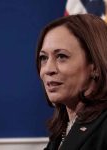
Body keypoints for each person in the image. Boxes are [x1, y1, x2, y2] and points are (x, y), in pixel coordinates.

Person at [36, 14, 107, 150]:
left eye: (61, 56)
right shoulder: (62, 130)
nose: (48, 69)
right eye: (43, 58)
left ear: (95, 66)